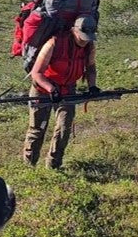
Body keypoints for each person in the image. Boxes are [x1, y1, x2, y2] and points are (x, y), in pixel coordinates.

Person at [22, 15, 100, 169]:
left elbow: (90, 68)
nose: (84, 41)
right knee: (38, 129)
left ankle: (54, 166)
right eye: (82, 37)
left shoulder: (89, 46)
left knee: (64, 128)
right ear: (74, 30)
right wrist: (51, 89)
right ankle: (29, 166)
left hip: (68, 89)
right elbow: (37, 73)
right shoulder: (54, 43)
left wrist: (92, 86)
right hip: (42, 89)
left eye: (88, 38)